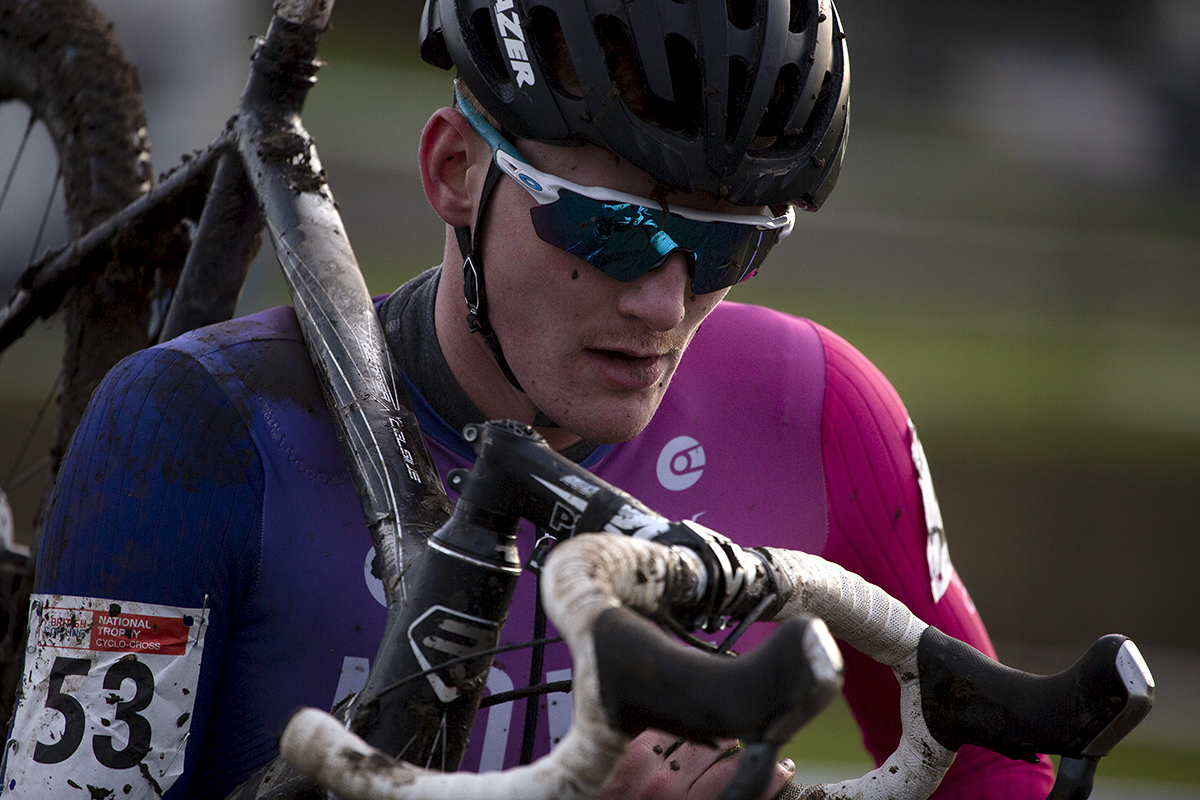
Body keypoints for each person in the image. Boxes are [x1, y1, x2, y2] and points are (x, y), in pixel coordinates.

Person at [1, 0, 1055, 798]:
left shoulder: (823, 410)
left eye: (729, 241)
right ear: (456, 170)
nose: (663, 301)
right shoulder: (187, 436)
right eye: (611, 226)